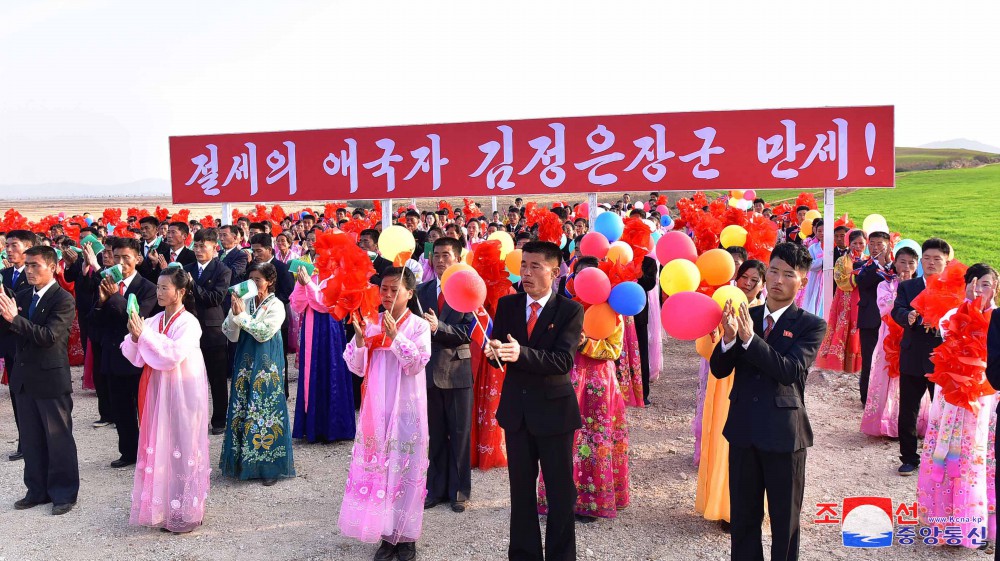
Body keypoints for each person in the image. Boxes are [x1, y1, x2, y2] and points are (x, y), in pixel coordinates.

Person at [710, 242, 827, 561]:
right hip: (744, 429)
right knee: (744, 518)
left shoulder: (811, 325)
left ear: (802, 281)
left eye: (788, 274)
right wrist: (730, 339)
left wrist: (749, 340)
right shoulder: (747, 314)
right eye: (773, 271)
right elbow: (720, 370)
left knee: (784, 520)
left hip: (784, 434)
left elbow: (788, 371)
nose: (777, 279)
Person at [484, 241, 585, 561]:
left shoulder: (570, 310)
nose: (525, 272)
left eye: (534, 266)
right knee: (521, 494)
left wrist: (520, 354)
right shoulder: (508, 306)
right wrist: (494, 356)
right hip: (517, 414)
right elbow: (500, 358)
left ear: (555, 272)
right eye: (523, 265)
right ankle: (524, 555)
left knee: (560, 494)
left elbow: (562, 362)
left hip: (554, 415)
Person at [340, 267, 431, 561]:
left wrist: (396, 338)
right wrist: (360, 340)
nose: (388, 295)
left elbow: (416, 364)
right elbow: (356, 366)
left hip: (407, 404)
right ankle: (384, 534)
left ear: (409, 292)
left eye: (395, 289)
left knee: (405, 465)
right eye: (384, 289)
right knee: (379, 466)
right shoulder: (371, 321)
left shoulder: (418, 326)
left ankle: (406, 537)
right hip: (377, 405)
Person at [120, 266, 211, 533]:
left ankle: (189, 509)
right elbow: (132, 351)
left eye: (164, 288)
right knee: (161, 442)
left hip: (184, 388)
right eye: (158, 287)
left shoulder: (189, 322)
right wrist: (137, 338)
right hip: (159, 387)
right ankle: (164, 507)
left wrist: (144, 337)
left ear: (181, 292)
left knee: (184, 441)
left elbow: (172, 354)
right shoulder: (154, 319)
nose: (159, 292)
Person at [538, 256, 629, 522]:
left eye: (591, 275)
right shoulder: (564, 307)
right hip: (567, 376)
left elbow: (614, 350)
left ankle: (591, 500)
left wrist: (585, 343)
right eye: (580, 274)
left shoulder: (613, 312)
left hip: (599, 382)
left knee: (593, 437)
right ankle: (557, 497)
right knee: (564, 437)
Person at [917, 264, 997, 550]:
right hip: (950, 395)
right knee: (946, 448)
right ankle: (942, 522)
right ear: (965, 285)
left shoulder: (997, 319)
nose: (980, 290)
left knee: (976, 454)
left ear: (996, 288)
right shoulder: (951, 316)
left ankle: (974, 525)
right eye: (975, 284)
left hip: (983, 397)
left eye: (987, 284)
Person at [0, 245, 79, 515]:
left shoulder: (63, 299)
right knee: (31, 439)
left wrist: (15, 318)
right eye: (28, 265)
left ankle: (63, 493)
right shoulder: (22, 295)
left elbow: (48, 337)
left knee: (58, 439)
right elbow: (9, 328)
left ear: (53, 267)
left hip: (50, 379)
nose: (30, 270)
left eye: (36, 265)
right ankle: (36, 490)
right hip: (24, 380)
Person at [696, 259, 766, 531]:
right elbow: (704, 349)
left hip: (751, 385)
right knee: (723, 442)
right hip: (723, 382)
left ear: (762, 285)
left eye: (754, 280)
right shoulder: (720, 308)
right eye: (744, 277)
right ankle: (724, 506)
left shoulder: (763, 313)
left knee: (749, 446)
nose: (748, 284)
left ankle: (746, 508)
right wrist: (716, 332)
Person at [220, 262, 294, 486]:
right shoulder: (246, 302)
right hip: (244, 359)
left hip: (267, 362)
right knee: (243, 406)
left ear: (270, 281)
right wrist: (235, 315)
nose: (254, 284)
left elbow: (263, 333)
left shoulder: (277, 305)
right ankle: (243, 461)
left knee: (266, 409)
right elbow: (229, 333)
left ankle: (269, 465)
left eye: (258, 280)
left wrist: (241, 317)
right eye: (250, 280)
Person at [417, 237, 476, 513]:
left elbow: (468, 333)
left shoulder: (468, 291)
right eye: (436, 256)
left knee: (460, 434)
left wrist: (437, 327)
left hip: (456, 371)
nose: (440, 261)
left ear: (458, 258)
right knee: (436, 434)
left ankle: (460, 491)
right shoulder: (421, 290)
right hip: (427, 371)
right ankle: (435, 489)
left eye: (446, 256)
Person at [90, 237, 158, 468]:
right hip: (112, 355)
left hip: (139, 358)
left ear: (138, 259)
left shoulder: (148, 287)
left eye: (126, 258)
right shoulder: (104, 283)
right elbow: (93, 321)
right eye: (115, 257)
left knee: (145, 408)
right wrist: (101, 303)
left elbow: (136, 318)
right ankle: (128, 452)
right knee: (121, 409)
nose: (120, 263)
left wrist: (114, 297)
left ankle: (150, 452)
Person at [893, 238, 951, 476]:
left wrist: (943, 324)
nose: (931, 263)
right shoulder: (909, 287)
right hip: (912, 355)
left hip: (942, 358)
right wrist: (909, 316)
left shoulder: (953, 288)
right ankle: (909, 457)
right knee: (908, 409)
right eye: (926, 258)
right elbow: (898, 309)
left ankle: (941, 457)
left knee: (943, 410)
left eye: (937, 259)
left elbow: (960, 317)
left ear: (946, 262)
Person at [860, 247, 930, 438]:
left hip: (914, 339)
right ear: (895, 263)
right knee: (887, 376)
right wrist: (902, 291)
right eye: (902, 262)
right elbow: (885, 309)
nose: (906, 266)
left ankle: (915, 424)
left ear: (918, 265)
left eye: (911, 262)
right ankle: (887, 422)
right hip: (889, 335)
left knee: (912, 380)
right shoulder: (885, 285)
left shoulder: (924, 286)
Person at [290, 266, 356, 442]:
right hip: (311, 328)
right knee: (311, 375)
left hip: (330, 328)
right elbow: (296, 304)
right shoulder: (312, 274)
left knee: (331, 372)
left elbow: (326, 303)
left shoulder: (339, 275)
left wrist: (309, 284)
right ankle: (313, 425)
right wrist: (301, 282)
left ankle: (334, 426)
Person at [183, 228, 232, 435]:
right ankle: (194, 420)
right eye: (196, 245)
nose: (198, 249)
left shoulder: (223, 270)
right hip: (187, 329)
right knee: (190, 378)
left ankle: (219, 420)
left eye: (203, 246)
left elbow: (215, 299)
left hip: (212, 331)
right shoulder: (185, 268)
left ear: (214, 247)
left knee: (217, 379)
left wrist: (193, 285)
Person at [1, 229, 36, 461]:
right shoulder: (3, 273)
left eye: (14, 245)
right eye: (7, 245)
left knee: (31, 394)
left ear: (28, 248)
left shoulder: (35, 276)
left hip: (28, 344)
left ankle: (33, 441)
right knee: (16, 394)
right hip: (8, 344)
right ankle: (24, 440)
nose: (9, 250)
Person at [815, 230, 866, 374]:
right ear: (848, 244)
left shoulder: (868, 260)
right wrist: (859, 277)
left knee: (858, 327)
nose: (858, 246)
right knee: (843, 326)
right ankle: (839, 361)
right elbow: (840, 280)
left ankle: (857, 362)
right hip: (845, 300)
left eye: (861, 243)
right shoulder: (841, 261)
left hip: (862, 300)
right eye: (854, 243)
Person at [855, 230, 892, 407]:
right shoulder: (864, 264)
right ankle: (866, 398)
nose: (876, 247)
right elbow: (863, 282)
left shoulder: (896, 266)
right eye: (873, 243)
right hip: (870, 320)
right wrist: (879, 265)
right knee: (869, 359)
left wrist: (887, 266)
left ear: (888, 246)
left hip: (892, 322)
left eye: (880, 244)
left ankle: (887, 399)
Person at [798, 220, 825, 318]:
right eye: (819, 231)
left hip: (828, 279)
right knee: (814, 299)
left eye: (824, 231)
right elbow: (809, 264)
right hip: (815, 279)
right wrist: (822, 261)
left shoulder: (833, 248)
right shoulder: (813, 248)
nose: (822, 233)